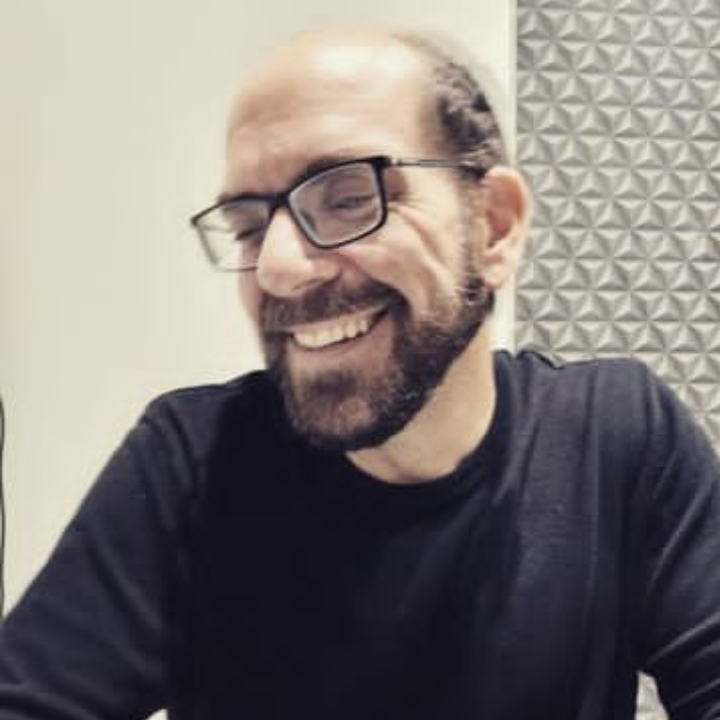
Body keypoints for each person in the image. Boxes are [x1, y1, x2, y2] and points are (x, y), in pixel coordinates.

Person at [0, 27, 719, 720]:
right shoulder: (192, 460)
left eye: (348, 199)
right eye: (249, 226)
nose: (278, 269)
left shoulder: (614, 435)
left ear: (494, 226)